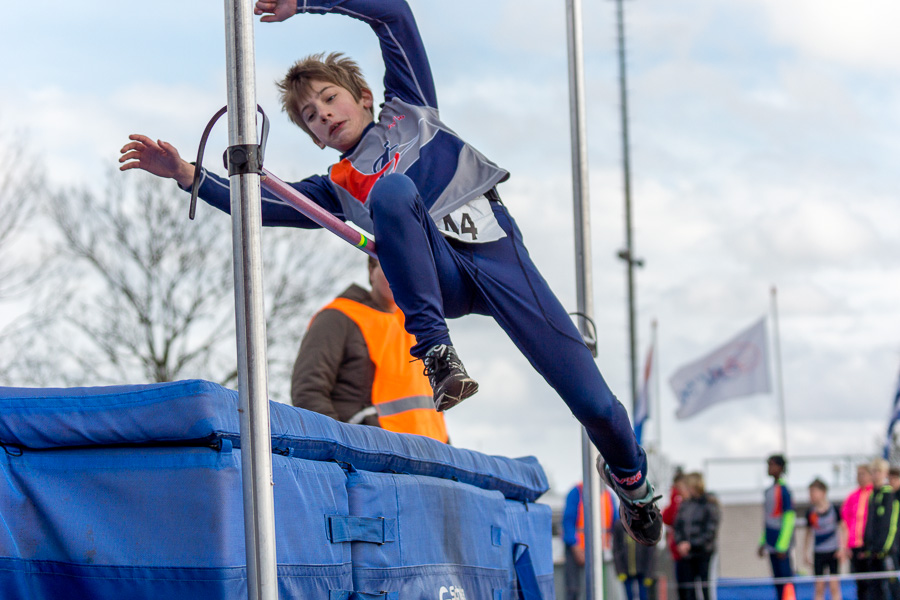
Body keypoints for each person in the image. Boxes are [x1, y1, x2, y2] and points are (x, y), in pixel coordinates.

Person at [118, 0, 662, 544]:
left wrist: (306, 4)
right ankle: (437, 354)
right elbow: (253, 201)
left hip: (499, 259)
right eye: (310, 115)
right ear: (314, 138)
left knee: (595, 406)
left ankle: (632, 482)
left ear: (363, 98)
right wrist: (189, 175)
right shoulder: (332, 188)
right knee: (394, 190)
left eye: (329, 99)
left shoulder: (411, 109)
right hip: (438, 283)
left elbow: (393, 14)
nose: (324, 113)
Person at [291, 256, 448, 442]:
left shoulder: (419, 325)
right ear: (371, 271)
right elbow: (308, 392)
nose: (400, 274)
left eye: (408, 268)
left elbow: (431, 405)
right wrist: (344, 448)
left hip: (430, 457)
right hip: (374, 461)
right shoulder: (338, 318)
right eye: (391, 265)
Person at [562, 482, 616, 600]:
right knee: (574, 589)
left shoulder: (609, 496)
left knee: (598, 588)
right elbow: (568, 522)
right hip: (576, 550)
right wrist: (575, 547)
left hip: (601, 551)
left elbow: (616, 524)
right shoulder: (577, 492)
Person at [673, 472, 719, 600]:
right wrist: (681, 543)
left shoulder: (710, 504)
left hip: (704, 554)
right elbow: (678, 527)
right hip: (687, 555)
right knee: (689, 591)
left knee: (705, 589)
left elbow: (710, 532)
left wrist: (691, 544)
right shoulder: (685, 504)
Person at [757, 455, 795, 600]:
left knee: (786, 581)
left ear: (780, 468)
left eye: (772, 465)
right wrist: (763, 542)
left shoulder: (784, 490)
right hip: (771, 544)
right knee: (777, 582)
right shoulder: (768, 491)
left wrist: (782, 545)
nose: (769, 468)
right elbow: (767, 519)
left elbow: (789, 518)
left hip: (781, 547)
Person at [862, 459, 899, 600]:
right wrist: (869, 546)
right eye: (873, 472)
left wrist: (886, 548)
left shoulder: (889, 494)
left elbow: (891, 523)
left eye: (878, 472)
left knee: (892, 585)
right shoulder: (872, 495)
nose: (875, 475)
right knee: (874, 587)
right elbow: (870, 523)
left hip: (887, 551)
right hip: (873, 551)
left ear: (884, 473)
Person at [803, 479, 844, 600]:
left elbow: (843, 529)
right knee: (819, 586)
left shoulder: (834, 509)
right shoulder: (811, 513)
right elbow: (808, 534)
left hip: (833, 552)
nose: (811, 495)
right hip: (819, 553)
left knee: (834, 585)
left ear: (823, 492)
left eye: (814, 492)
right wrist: (805, 553)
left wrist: (842, 548)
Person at [841, 464, 873, 600]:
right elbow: (845, 522)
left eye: (862, 474)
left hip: (870, 546)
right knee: (860, 582)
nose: (859, 477)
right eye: (858, 474)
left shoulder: (875, 494)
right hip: (855, 544)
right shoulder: (852, 496)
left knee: (873, 582)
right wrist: (846, 545)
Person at [613, 517, 657, 600]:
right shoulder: (619, 525)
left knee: (643, 596)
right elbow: (616, 549)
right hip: (626, 569)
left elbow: (651, 552)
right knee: (628, 596)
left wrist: (649, 573)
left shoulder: (646, 524)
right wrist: (620, 570)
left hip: (642, 570)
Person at [662, 470, 689, 600]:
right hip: (678, 549)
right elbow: (668, 518)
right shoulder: (677, 500)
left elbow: (671, 518)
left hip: (690, 550)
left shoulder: (684, 501)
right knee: (683, 588)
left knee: (690, 587)